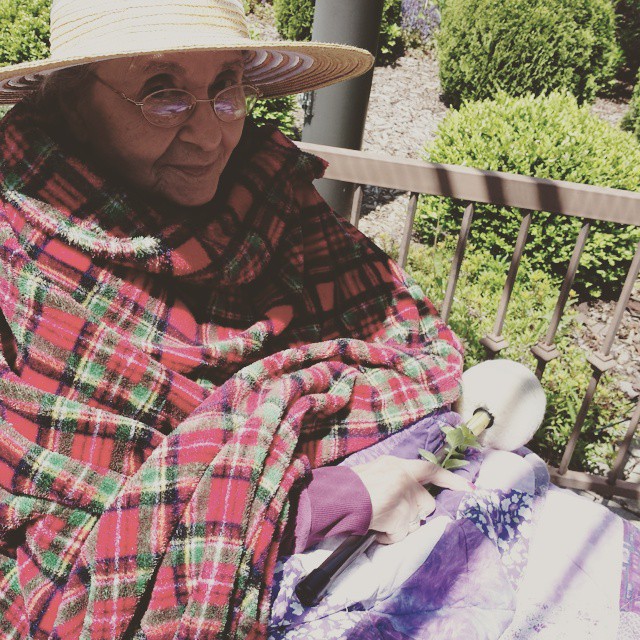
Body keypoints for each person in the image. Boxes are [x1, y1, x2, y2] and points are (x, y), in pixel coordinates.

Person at [0, 1, 468, 638]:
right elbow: (57, 550)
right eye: (162, 92)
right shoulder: (20, 261)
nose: (210, 135)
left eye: (226, 88)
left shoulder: (273, 195)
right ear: (72, 103)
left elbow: (404, 336)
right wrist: (322, 504)